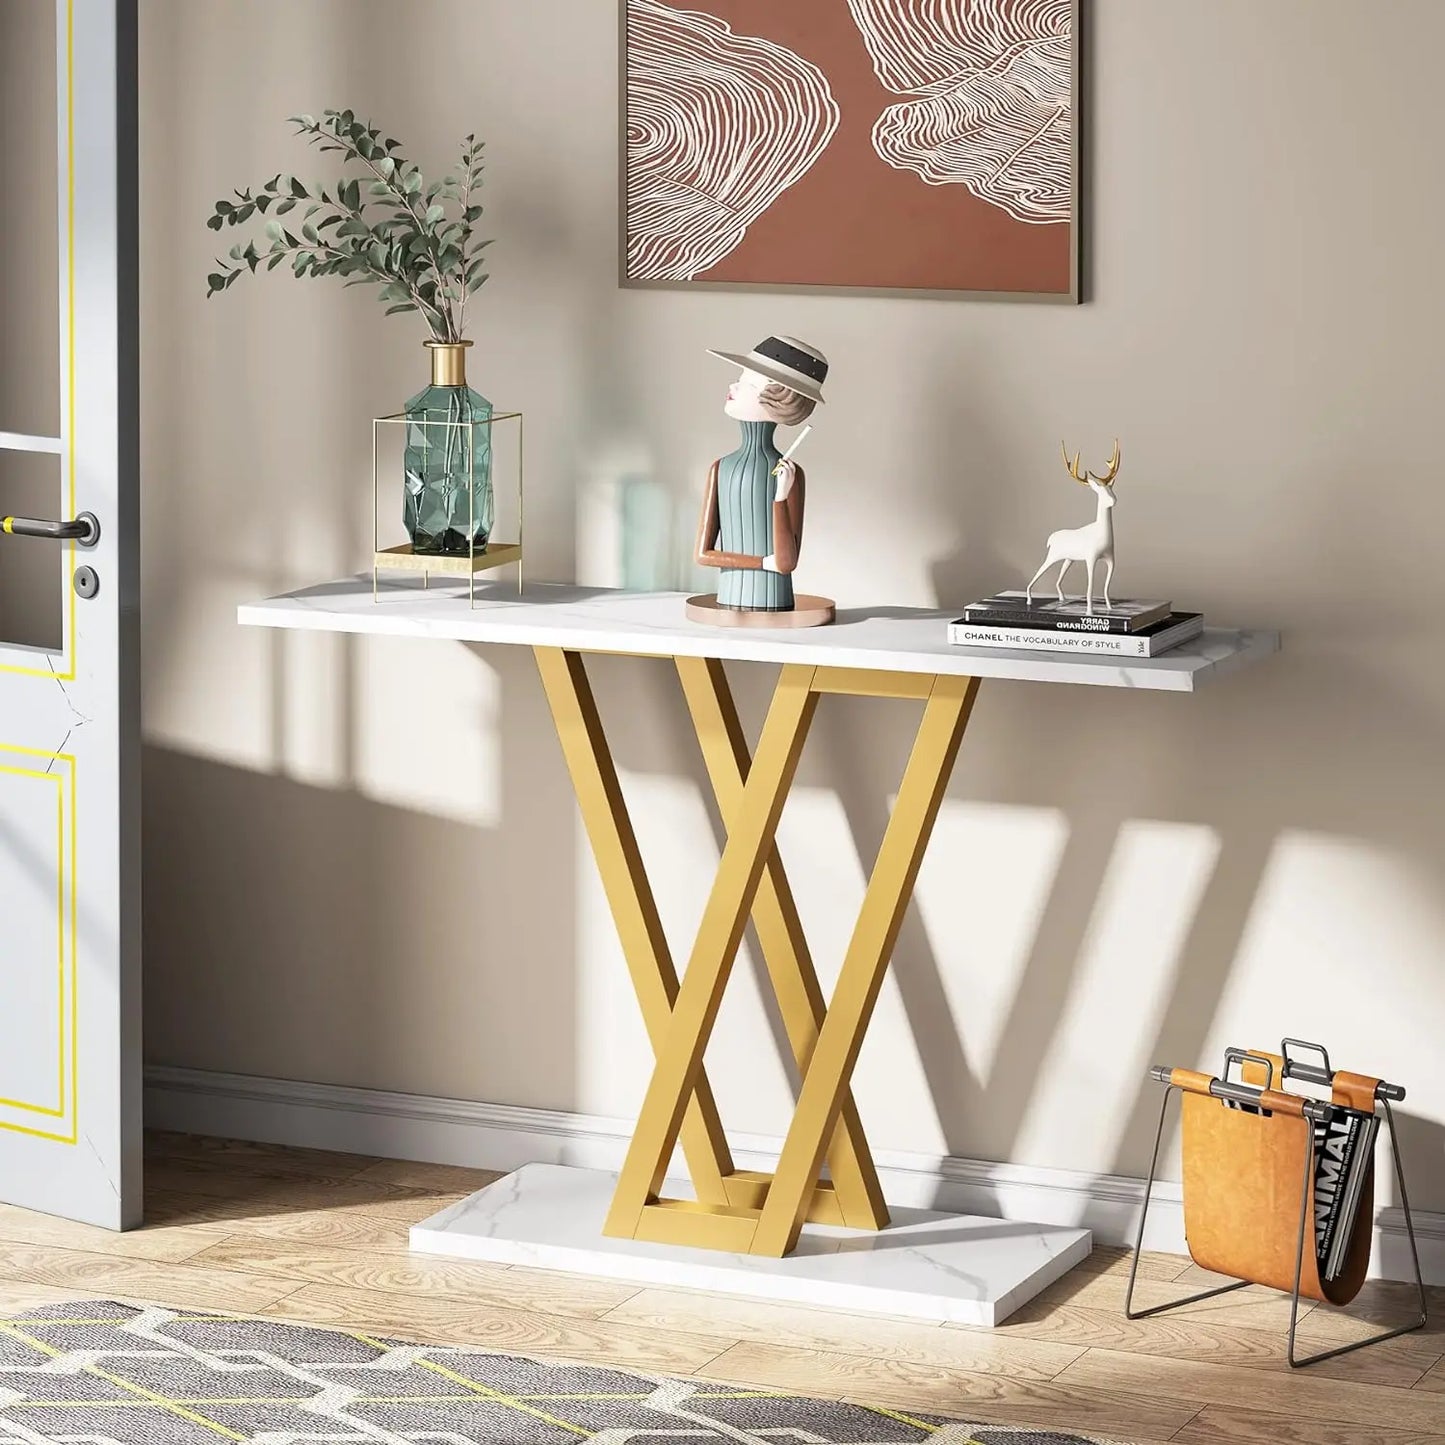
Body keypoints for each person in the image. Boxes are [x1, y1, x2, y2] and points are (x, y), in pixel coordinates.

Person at [694, 335, 827, 613]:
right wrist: (763, 563)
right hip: (728, 604)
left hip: (776, 604)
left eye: (747, 383)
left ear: (779, 398)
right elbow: (702, 554)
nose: (733, 385)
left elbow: (786, 563)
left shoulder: (790, 474)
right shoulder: (721, 468)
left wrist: (780, 497)